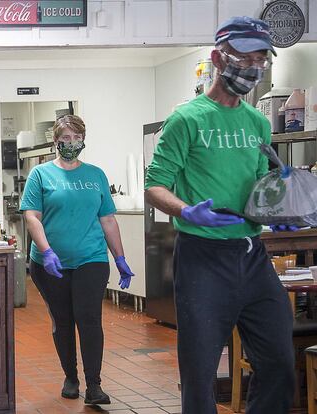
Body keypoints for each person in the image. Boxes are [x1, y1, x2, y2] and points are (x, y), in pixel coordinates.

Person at [144, 16, 295, 414]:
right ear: (217, 57)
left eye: (260, 60)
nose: (252, 69)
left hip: (253, 256)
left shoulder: (258, 122)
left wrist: (282, 208)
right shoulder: (186, 119)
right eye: (244, 58)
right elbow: (155, 185)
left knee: (279, 362)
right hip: (203, 259)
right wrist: (188, 210)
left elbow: (264, 184)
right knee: (199, 373)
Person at [20, 114, 134, 405]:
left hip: (91, 259)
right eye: (66, 138)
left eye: (77, 138)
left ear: (84, 140)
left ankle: (94, 385)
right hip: (49, 263)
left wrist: (119, 257)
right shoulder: (41, 175)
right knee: (63, 320)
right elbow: (32, 216)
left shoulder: (96, 174)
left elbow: (107, 219)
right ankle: (71, 377)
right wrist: (45, 251)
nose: (71, 143)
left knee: (89, 319)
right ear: (55, 141)